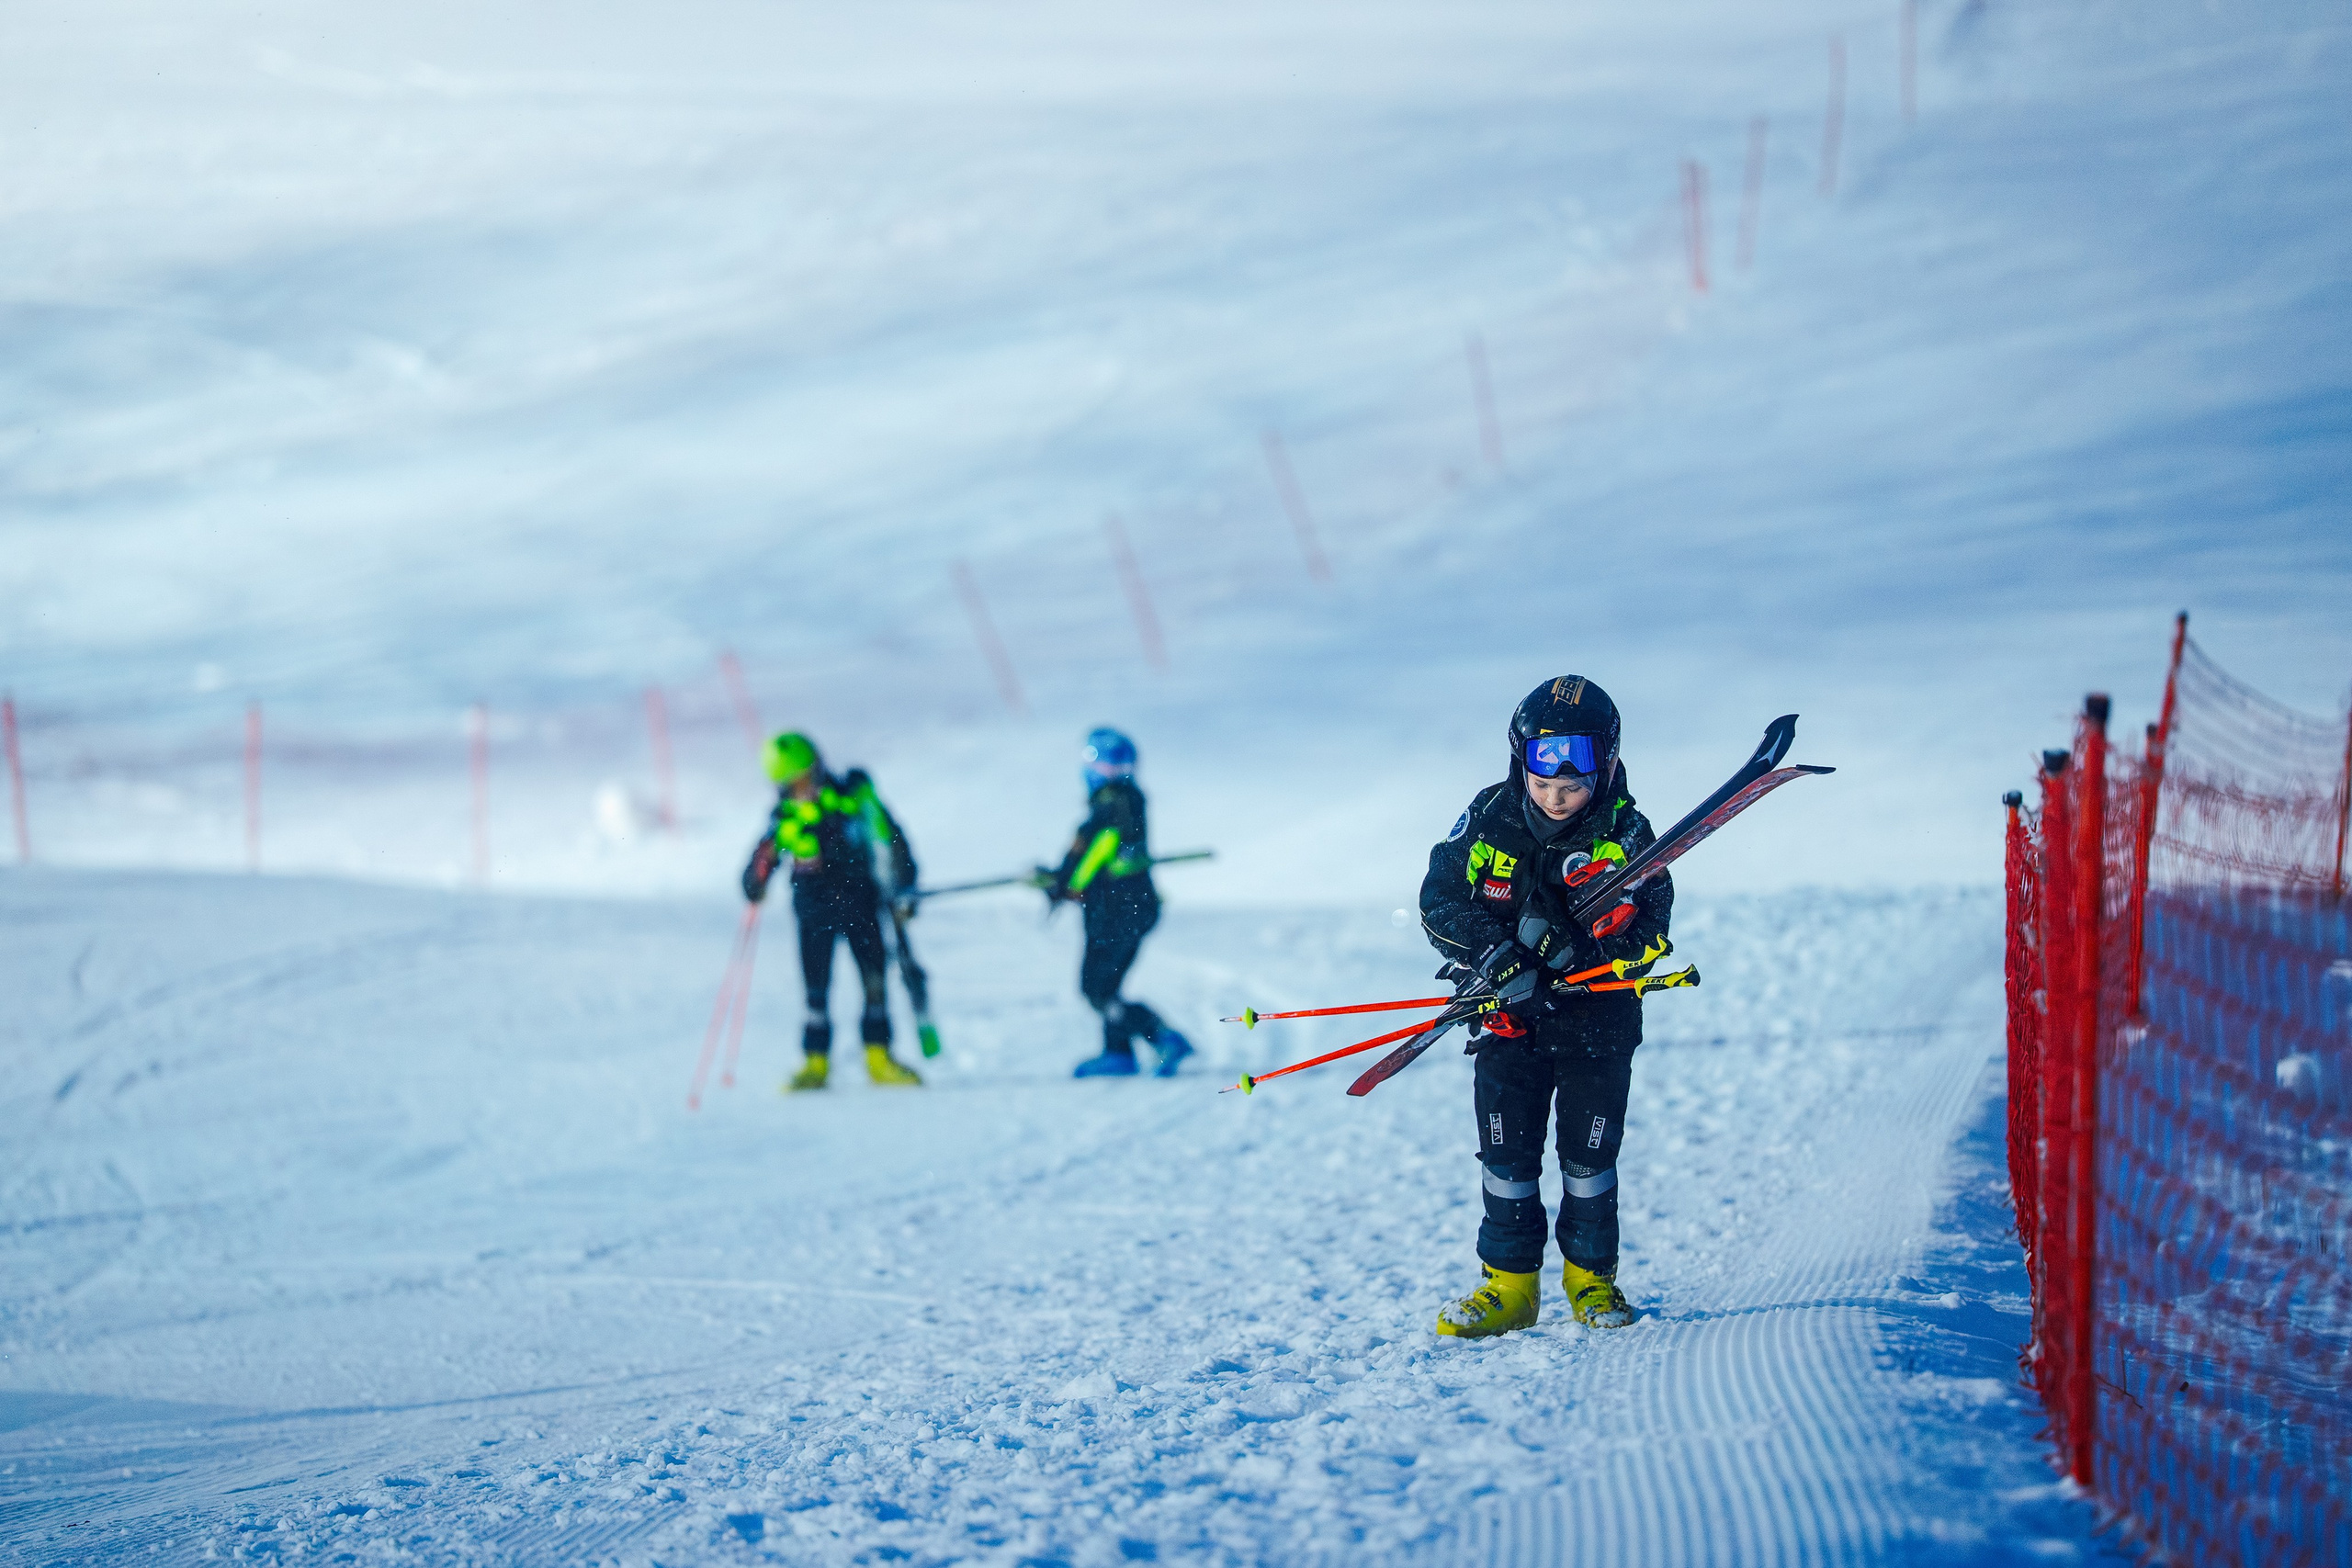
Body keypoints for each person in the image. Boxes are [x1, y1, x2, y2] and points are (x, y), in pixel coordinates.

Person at [1418, 676, 1672, 1337]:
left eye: (1573, 785)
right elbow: (1439, 899)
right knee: (1507, 1158)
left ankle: (1591, 1281)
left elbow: (1650, 934)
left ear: (1606, 766)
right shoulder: (1490, 815)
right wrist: (1493, 954)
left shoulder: (1627, 832)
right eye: (1543, 783)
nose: (1556, 797)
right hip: (1509, 1024)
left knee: (1589, 1162)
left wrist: (1602, 933)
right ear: (1518, 762)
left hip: (1597, 1027)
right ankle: (1509, 1287)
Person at [741, 732, 925, 1091]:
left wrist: (904, 889)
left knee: (874, 982)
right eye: (794, 783)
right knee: (816, 989)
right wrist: (755, 880)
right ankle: (815, 1061)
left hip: (862, 904)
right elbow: (762, 860)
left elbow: (893, 841)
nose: (803, 787)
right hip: (813, 912)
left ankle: (879, 1056)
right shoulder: (786, 819)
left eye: (808, 776)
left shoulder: (854, 799)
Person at [1041, 728, 1193, 1078]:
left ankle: (1163, 1037)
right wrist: (1062, 879)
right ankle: (1119, 1053)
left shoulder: (1112, 804)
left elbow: (1098, 849)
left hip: (1117, 909)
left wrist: (1067, 883)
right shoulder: (1128, 800)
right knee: (1106, 985)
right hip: (1129, 907)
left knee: (1096, 987)